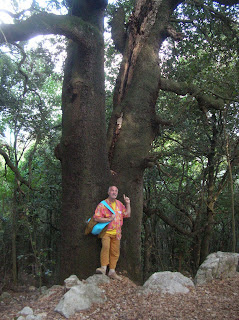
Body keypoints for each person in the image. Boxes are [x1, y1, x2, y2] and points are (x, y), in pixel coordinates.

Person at [93, 186, 131, 280]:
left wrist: (128, 203)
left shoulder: (119, 204)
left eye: (115, 191)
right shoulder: (103, 204)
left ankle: (112, 271)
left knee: (115, 251)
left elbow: (127, 214)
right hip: (106, 231)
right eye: (112, 190)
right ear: (108, 192)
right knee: (106, 247)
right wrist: (108, 219)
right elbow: (96, 217)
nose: (114, 192)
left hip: (117, 233)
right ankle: (103, 268)